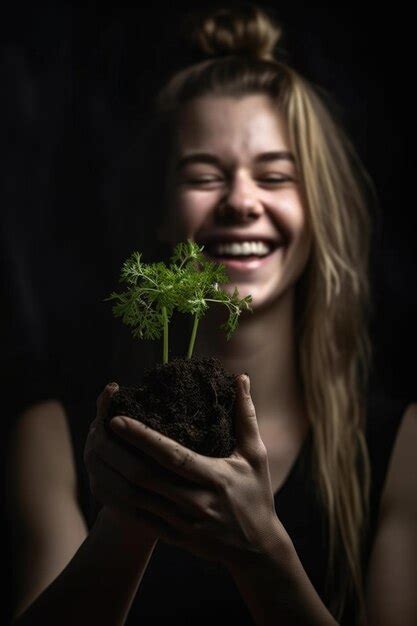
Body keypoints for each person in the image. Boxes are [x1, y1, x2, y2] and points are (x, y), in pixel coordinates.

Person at [6, 3, 416, 625]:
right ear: (164, 210)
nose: (241, 202)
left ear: (318, 208)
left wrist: (263, 554)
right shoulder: (54, 439)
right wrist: (131, 510)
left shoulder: (401, 447)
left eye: (275, 176)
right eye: (205, 176)